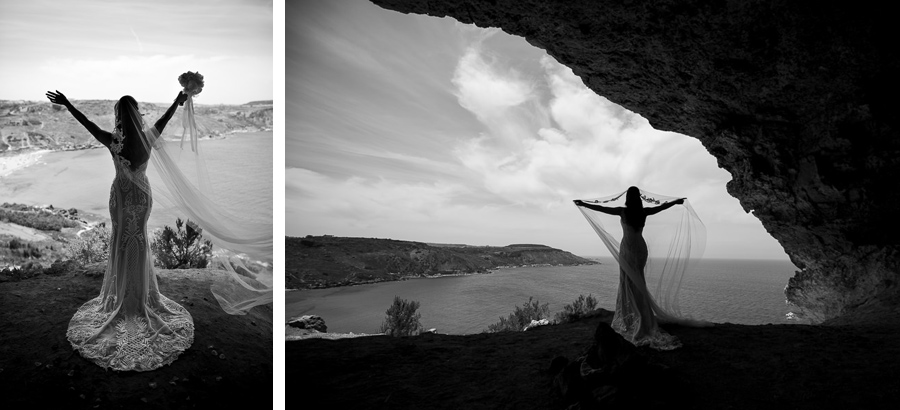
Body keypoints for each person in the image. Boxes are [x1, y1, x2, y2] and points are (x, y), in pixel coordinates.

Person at [46, 90, 193, 371]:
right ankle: (141, 296)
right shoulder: (149, 137)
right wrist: (177, 101)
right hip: (142, 196)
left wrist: (67, 104)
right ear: (138, 114)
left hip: (122, 197)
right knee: (139, 239)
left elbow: (86, 123)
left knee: (122, 242)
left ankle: (123, 294)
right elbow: (165, 118)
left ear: (117, 116)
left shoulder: (113, 140)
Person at [575, 186, 700, 350]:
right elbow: (661, 207)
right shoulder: (644, 212)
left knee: (626, 281)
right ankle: (642, 315)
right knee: (638, 281)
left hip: (627, 249)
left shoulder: (622, 211)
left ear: (627, 197)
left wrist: (583, 204)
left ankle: (630, 317)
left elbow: (602, 208)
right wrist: (676, 202)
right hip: (640, 249)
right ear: (639, 197)